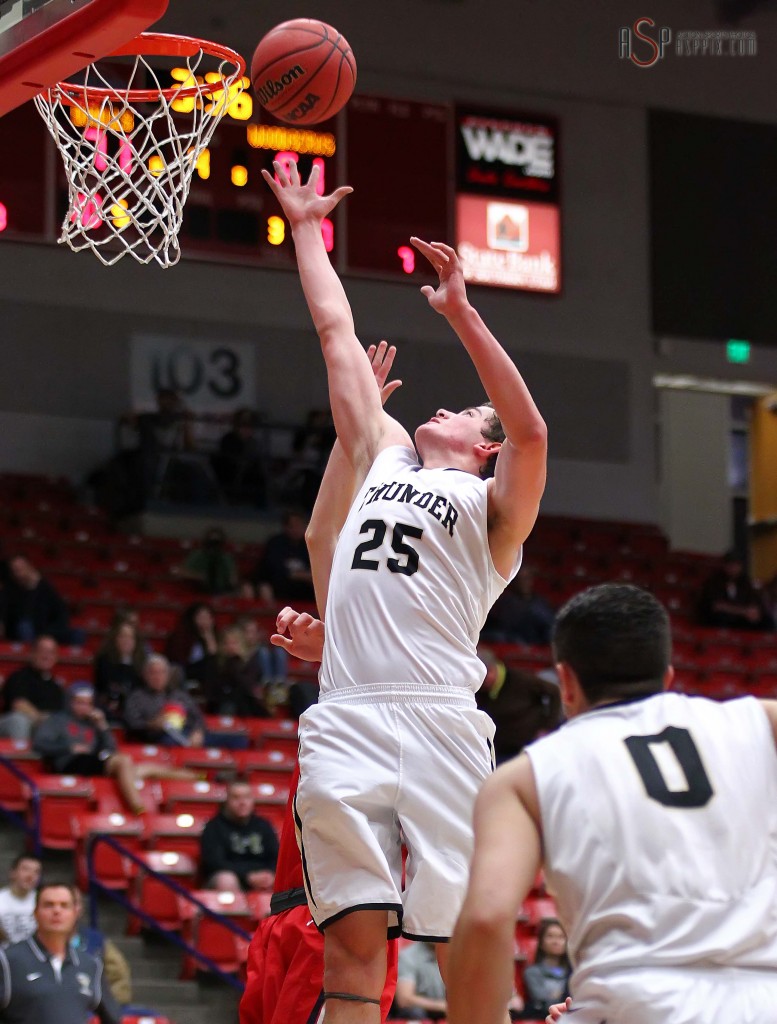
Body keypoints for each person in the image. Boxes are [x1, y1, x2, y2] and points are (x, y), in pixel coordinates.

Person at [262, 161, 546, 1023]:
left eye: (467, 411)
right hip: (346, 712)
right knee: (350, 953)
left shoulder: (496, 508)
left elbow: (530, 427)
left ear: (482, 448)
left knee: (469, 939)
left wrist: (461, 311)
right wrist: (307, 231)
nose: (452, 409)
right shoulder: (380, 454)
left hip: (435, 716)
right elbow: (334, 331)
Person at [447, 583, 777, 1024]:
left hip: (632, 1002)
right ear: (668, 677)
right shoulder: (759, 722)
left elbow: (487, 919)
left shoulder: (524, 777)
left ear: (565, 682)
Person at [239, 342, 402, 1024]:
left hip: (338, 928)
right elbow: (319, 536)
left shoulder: (407, 678)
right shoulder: (353, 666)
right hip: (282, 921)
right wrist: (351, 422)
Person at [34, 682, 195, 814]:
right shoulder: (56, 720)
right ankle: (139, 808)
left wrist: (103, 727)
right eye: (79, 702)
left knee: (147, 769)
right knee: (123, 761)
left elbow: (111, 749)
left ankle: (197, 778)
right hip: (70, 763)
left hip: (92, 762)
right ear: (70, 702)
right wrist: (69, 748)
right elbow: (40, 744)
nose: (84, 707)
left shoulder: (93, 722)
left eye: (88, 703)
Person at [0, 882, 121, 1024]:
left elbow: (113, 1018)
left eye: (64, 905)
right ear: (35, 912)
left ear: (75, 913)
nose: (57, 911)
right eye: (48, 905)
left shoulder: (90, 965)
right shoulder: (7, 961)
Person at [476, 646, 562, 763]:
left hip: (528, 748)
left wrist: (548, 726)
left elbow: (554, 691)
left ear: (493, 668)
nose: (484, 681)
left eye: (487, 676)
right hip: (497, 750)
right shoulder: (478, 688)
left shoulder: (521, 680)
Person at [201, 779, 280, 894]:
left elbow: (276, 857)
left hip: (261, 877)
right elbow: (215, 862)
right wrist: (247, 876)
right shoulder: (214, 827)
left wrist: (269, 874)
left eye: (247, 797)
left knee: (278, 880)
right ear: (227, 801)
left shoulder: (263, 825)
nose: (242, 802)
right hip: (231, 877)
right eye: (236, 798)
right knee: (226, 879)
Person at [123, 654, 205, 747]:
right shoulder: (136, 697)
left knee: (223, 739)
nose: (158, 677)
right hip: (158, 738)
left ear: (168, 675)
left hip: (189, 733)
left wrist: (198, 731)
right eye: (153, 673)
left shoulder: (180, 695)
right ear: (145, 675)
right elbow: (131, 723)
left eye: (162, 672)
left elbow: (198, 717)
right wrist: (151, 724)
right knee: (171, 741)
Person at [71, 891, 132, 1008]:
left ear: (80, 909)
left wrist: (106, 1008)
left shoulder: (97, 941)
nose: (58, 911)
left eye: (75, 903)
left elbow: (119, 978)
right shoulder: (32, 946)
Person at [3, 556, 80, 645]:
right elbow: (22, 615)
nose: (20, 572)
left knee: (77, 634)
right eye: (16, 569)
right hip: (24, 630)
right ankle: (32, 654)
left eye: (22, 568)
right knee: (25, 626)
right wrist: (31, 589)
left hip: (46, 630)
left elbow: (60, 610)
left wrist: (51, 630)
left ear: (30, 567)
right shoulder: (10, 590)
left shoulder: (44, 586)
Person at [0, 636, 64, 740]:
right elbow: (19, 705)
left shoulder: (56, 686)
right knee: (19, 720)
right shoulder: (19, 677)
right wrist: (41, 718)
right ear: (32, 653)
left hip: (44, 726)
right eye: (43, 651)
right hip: (13, 723)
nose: (46, 656)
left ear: (56, 657)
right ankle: (20, 754)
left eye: (51, 652)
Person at [248, 510, 316, 605]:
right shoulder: (276, 543)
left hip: (304, 589)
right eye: (293, 526)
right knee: (264, 588)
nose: (297, 529)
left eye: (300, 525)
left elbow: (314, 572)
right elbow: (273, 569)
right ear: (286, 527)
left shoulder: (309, 545)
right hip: (279, 587)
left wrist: (301, 575)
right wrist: (298, 575)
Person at [697, 549, 772, 630]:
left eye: (736, 565)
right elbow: (717, 606)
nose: (733, 568)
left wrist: (753, 612)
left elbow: (753, 601)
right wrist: (743, 611)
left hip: (740, 619)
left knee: (767, 621)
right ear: (724, 565)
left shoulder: (745, 582)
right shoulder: (714, 581)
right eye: (731, 564)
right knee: (720, 617)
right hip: (721, 617)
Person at [482, 566, 557, 646]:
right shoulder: (505, 602)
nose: (524, 582)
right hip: (510, 645)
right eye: (521, 579)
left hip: (535, 646)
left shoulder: (540, 604)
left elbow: (549, 628)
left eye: (527, 578)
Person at [93, 618, 145, 723]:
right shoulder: (104, 661)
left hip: (134, 708)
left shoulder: (142, 664)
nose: (126, 640)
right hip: (108, 706)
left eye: (130, 637)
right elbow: (103, 686)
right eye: (122, 636)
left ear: (136, 641)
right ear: (115, 639)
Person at [212, 407, 267, 507]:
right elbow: (228, 462)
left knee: (260, 478)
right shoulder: (228, 440)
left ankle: (261, 507)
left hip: (248, 476)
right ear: (236, 425)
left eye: (250, 425)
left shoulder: (253, 443)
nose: (247, 428)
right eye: (243, 424)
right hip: (230, 476)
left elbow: (256, 461)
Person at [517, 919, 571, 1021]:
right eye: (550, 936)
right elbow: (542, 1001)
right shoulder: (532, 972)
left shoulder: (573, 972)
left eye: (561, 937)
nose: (556, 941)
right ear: (541, 943)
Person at [164, 602, 218, 684]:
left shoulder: (217, 636)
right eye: (201, 617)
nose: (205, 620)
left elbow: (215, 657)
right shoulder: (180, 637)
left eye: (207, 617)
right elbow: (178, 660)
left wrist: (209, 639)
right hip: (186, 672)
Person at [391, 941, 447, 1020]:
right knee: (415, 1012)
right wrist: (442, 1006)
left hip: (447, 1009)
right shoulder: (408, 956)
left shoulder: (456, 954)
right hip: (421, 1013)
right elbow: (404, 999)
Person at [178, 527, 240, 596]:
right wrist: (199, 576)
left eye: (217, 543)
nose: (213, 546)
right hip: (199, 590)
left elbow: (233, 580)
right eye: (211, 543)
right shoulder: (198, 555)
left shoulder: (226, 557)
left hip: (221, 591)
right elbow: (182, 572)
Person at [0, 855, 41, 946]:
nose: (31, 875)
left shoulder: (44, 901)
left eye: (36, 872)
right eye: (25, 869)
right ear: (12, 873)